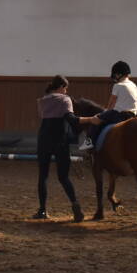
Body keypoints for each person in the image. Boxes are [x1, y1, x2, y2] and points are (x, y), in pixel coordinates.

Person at [34, 75, 87, 221]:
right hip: (60, 140)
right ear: (62, 86)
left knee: (43, 176)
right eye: (65, 88)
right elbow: (71, 119)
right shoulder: (65, 99)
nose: (66, 91)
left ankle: (42, 210)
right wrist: (91, 120)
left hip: (43, 140)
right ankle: (75, 204)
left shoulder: (42, 100)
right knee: (63, 177)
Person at [79, 60, 137, 151]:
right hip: (132, 115)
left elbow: (112, 102)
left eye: (115, 75)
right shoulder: (133, 85)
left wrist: (105, 112)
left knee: (95, 120)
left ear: (119, 74)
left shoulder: (118, 85)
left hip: (118, 114)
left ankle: (89, 143)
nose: (115, 77)